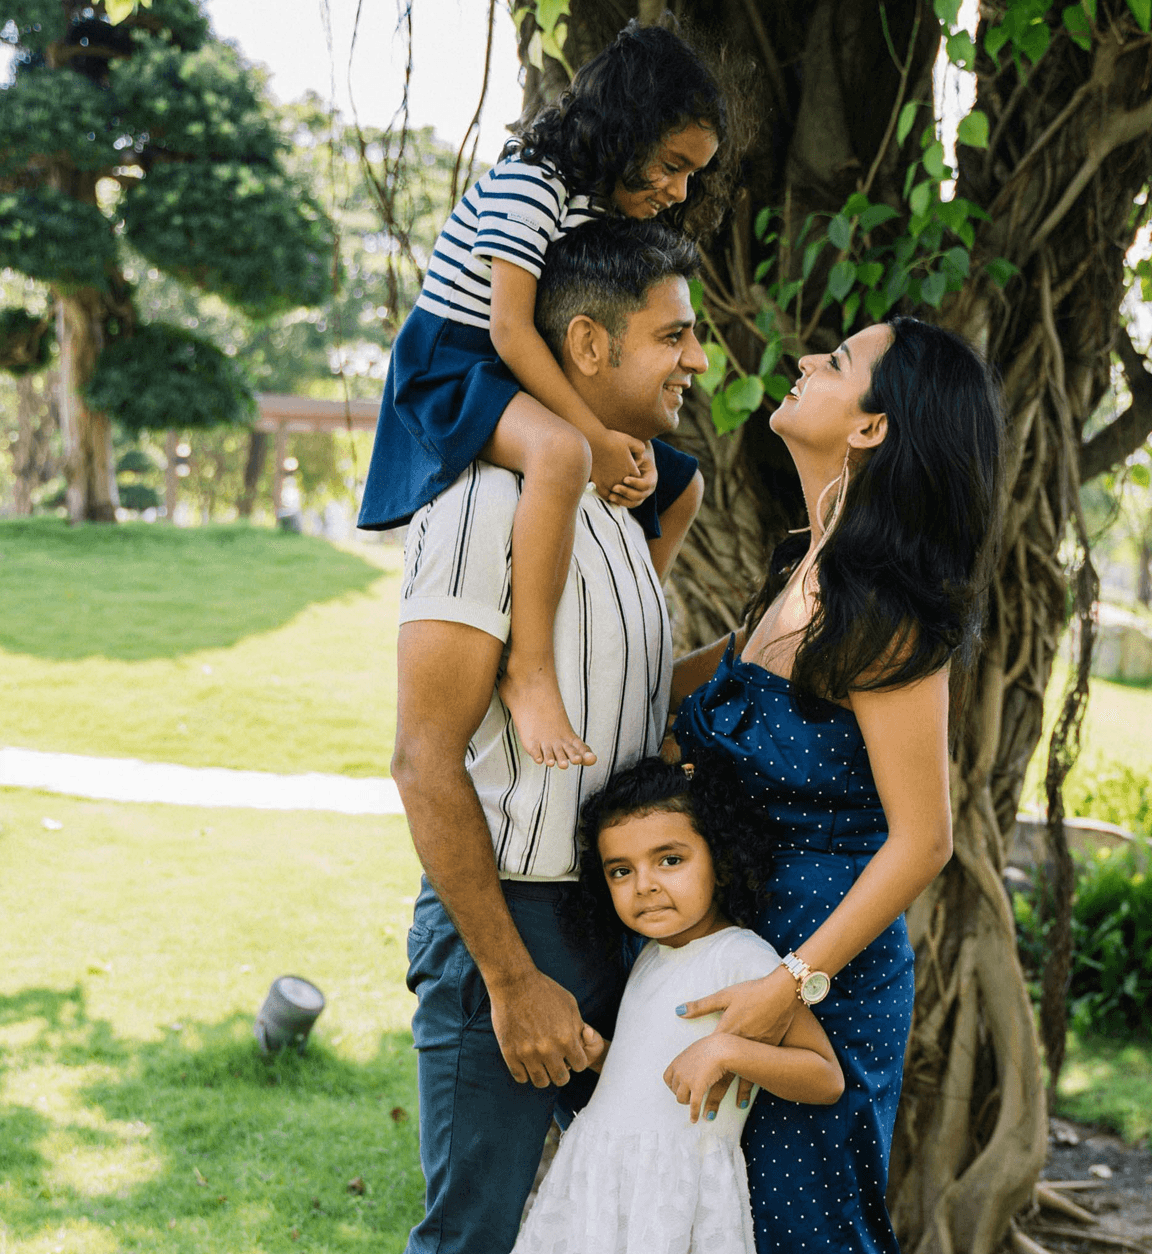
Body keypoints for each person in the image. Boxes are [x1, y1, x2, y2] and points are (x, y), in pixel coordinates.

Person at [391, 217, 708, 1254]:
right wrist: (511, 979)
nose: (696, 361)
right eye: (673, 336)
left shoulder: (621, 509)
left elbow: (632, 707)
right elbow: (423, 758)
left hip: (624, 919)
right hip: (509, 923)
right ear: (585, 345)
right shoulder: (492, 501)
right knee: (472, 1238)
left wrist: (780, 644)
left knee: (621, 1223)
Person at [669, 318, 1005, 1253]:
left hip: (819, 981)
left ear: (870, 428)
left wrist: (792, 983)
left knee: (798, 1227)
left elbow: (924, 839)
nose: (809, 362)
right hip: (731, 951)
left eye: (839, 363)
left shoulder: (886, 609)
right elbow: (671, 689)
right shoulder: (799, 566)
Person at [361, 21, 730, 771]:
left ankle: (623, 644)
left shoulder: (598, 206)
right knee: (561, 453)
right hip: (455, 367)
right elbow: (509, 332)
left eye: (693, 174)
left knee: (679, 483)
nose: (679, 189)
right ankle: (531, 668)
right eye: (670, 164)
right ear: (626, 129)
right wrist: (593, 435)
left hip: (509, 364)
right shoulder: (532, 184)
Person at [512, 755, 843, 1254]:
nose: (644, 884)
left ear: (720, 855)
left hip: (673, 1192)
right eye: (621, 871)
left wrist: (727, 1052)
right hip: (600, 1174)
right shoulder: (650, 954)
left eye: (670, 860)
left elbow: (825, 1077)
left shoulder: (743, 957)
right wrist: (606, 1055)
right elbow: (658, 1073)